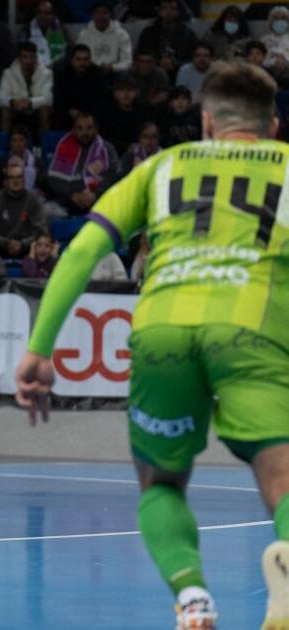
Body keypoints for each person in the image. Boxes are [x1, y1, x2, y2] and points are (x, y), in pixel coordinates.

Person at [14, 60, 289, 630]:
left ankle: (193, 597)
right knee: (283, 480)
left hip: (163, 332)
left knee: (160, 483)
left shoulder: (162, 166)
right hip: (253, 334)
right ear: (273, 126)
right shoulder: (286, 167)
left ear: (207, 122)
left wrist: (40, 347)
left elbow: (82, 251)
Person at [45, 113, 117, 217]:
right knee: (46, 210)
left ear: (96, 129)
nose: (85, 133)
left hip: (99, 199)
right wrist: (73, 195)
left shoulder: (107, 149)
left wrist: (96, 194)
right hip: (69, 199)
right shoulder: (64, 147)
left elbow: (114, 175)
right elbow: (53, 179)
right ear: (73, 130)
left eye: (89, 128)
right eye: (80, 128)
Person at [0, 164, 47, 259]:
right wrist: (6, 243)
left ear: (24, 179)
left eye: (19, 177)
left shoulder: (33, 200)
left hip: (28, 249)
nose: (15, 181)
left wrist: (23, 244)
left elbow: (41, 231)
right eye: (11, 177)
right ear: (6, 181)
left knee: (43, 243)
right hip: (0, 247)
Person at [0, 41, 53, 137]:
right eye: (25, 57)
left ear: (36, 57)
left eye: (31, 57)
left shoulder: (46, 74)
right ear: (19, 58)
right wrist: (13, 102)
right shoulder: (8, 73)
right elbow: (1, 97)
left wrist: (30, 103)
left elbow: (48, 98)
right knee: (5, 110)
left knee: (45, 109)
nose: (28, 61)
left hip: (36, 109)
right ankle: (5, 142)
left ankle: (43, 143)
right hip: (16, 108)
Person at [136, 0, 197, 78]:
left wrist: (175, 63)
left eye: (172, 8)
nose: (168, 12)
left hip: (180, 75)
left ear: (178, 12)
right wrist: (158, 62)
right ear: (159, 11)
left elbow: (195, 59)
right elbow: (140, 55)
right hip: (152, 75)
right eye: (164, 8)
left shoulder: (188, 35)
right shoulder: (148, 33)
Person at [53, 44, 107, 131]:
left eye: (86, 59)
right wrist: (69, 111)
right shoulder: (62, 74)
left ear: (90, 60)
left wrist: (84, 114)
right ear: (71, 60)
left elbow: (101, 100)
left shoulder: (98, 74)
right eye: (78, 59)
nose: (82, 63)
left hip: (91, 114)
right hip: (69, 113)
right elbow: (59, 99)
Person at [76, 2, 132, 73]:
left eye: (105, 13)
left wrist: (112, 67)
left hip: (114, 72)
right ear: (92, 16)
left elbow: (127, 62)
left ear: (110, 15)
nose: (101, 16)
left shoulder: (122, 34)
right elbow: (78, 58)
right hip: (90, 72)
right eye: (97, 13)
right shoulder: (83, 34)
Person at [18, 0, 70, 68]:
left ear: (53, 14)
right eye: (40, 13)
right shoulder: (26, 30)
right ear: (36, 14)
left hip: (58, 69)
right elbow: (21, 55)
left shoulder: (61, 29)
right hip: (34, 70)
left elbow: (70, 51)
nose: (43, 17)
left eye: (47, 13)